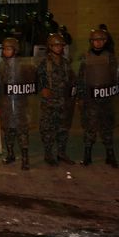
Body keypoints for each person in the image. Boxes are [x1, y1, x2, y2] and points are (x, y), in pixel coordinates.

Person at [77, 28, 119, 168]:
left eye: (101, 40)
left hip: (106, 99)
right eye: (95, 40)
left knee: (107, 128)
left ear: (105, 41)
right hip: (91, 100)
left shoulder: (111, 57)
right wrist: (81, 98)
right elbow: (81, 79)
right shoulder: (85, 57)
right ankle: (87, 156)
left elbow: (117, 79)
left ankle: (110, 156)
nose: (98, 43)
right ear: (91, 42)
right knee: (90, 128)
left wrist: (116, 94)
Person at [0, 36, 34, 169]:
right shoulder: (0, 67)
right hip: (6, 104)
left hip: (20, 103)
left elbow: (31, 85)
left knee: (22, 132)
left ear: (15, 50)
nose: (6, 51)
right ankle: (10, 154)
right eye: (4, 49)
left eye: (9, 49)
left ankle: (25, 158)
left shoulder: (24, 66)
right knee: (8, 131)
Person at [37, 32, 76, 166]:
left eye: (60, 45)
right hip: (49, 102)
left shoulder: (66, 63)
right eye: (55, 45)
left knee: (63, 129)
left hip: (63, 101)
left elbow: (71, 79)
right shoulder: (44, 63)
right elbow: (36, 80)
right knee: (48, 129)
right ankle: (48, 154)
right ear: (50, 46)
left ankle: (61, 153)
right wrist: (42, 89)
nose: (58, 48)